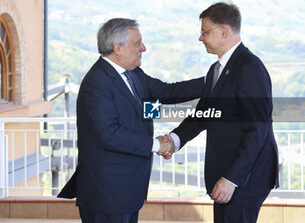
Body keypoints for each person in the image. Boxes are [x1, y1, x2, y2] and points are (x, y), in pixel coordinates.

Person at [57, 18, 204, 223]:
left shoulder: (133, 73)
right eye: (137, 43)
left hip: (127, 192)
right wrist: (157, 144)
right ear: (118, 48)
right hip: (106, 195)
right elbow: (110, 134)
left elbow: (169, 91)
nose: (143, 48)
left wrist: (215, 79)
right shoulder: (97, 82)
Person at [161, 2, 279, 223]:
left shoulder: (249, 69)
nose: (200, 38)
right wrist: (174, 140)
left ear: (224, 31)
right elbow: (203, 115)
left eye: (205, 32)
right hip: (227, 173)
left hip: (245, 177)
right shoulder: (217, 69)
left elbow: (257, 130)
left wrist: (232, 178)